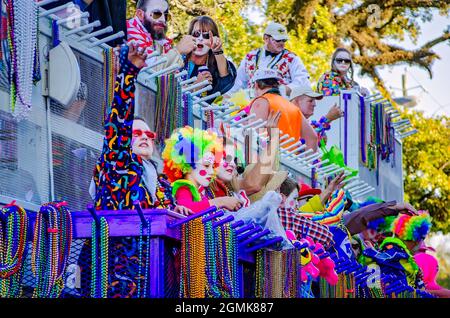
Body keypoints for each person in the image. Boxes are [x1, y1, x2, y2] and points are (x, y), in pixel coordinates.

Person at [162, 126, 243, 213]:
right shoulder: (184, 188)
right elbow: (186, 207)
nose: (212, 172)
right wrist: (221, 202)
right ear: (188, 165)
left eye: (213, 166)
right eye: (207, 165)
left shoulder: (199, 190)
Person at [225, 22, 310, 97]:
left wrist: (281, 90)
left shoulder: (292, 58)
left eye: (284, 40)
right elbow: (239, 82)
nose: (282, 43)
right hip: (252, 106)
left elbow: (303, 82)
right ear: (266, 38)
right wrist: (226, 97)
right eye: (277, 40)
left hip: (280, 105)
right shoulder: (250, 57)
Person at [248, 69, 318, 151]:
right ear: (278, 85)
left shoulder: (261, 101)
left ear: (256, 85)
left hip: (268, 160)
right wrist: (306, 161)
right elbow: (312, 137)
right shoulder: (292, 107)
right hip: (290, 161)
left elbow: (253, 137)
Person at [126, 0, 195, 69]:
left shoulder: (152, 33)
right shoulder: (130, 31)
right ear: (140, 14)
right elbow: (149, 71)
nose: (163, 20)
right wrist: (178, 50)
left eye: (165, 15)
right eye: (156, 14)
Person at [181, 16, 236, 98]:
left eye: (206, 36)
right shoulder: (178, 59)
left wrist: (217, 50)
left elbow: (226, 80)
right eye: (196, 34)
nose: (200, 39)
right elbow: (168, 89)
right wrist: (196, 85)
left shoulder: (213, 69)